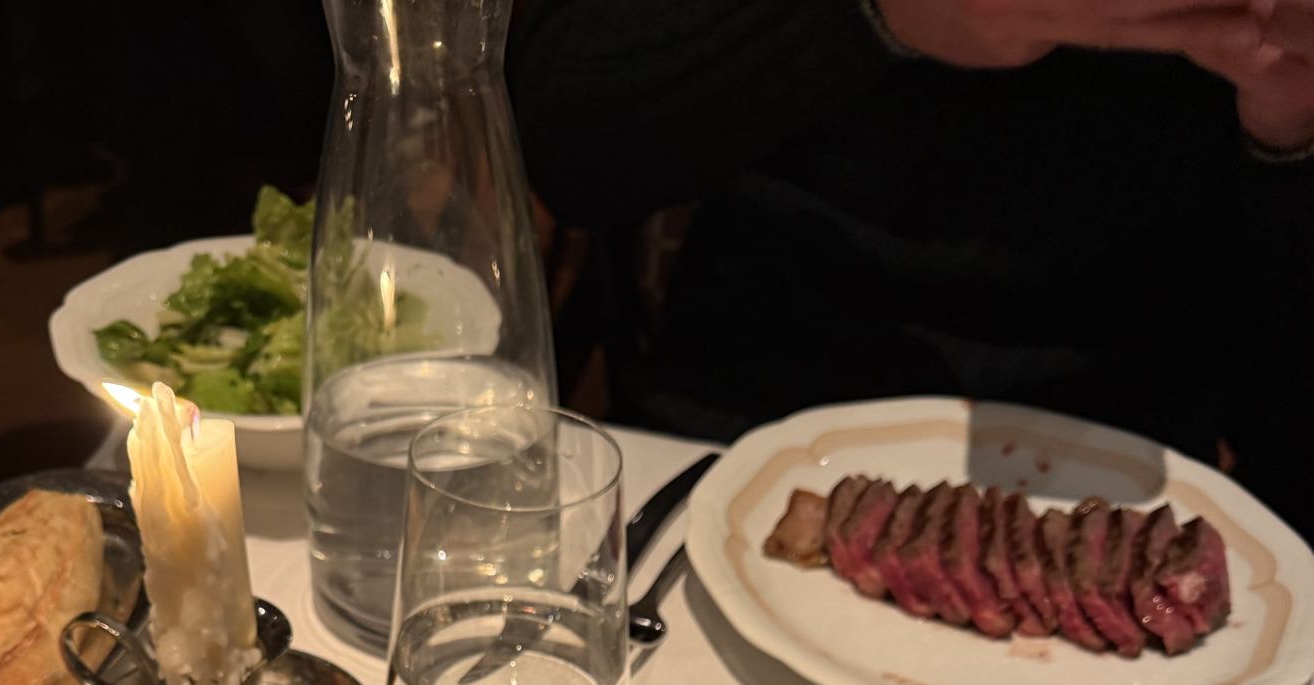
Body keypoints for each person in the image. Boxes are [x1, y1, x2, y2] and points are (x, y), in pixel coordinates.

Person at [510, 0, 1314, 541]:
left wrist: (1291, 136)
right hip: (733, 424)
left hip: (1132, 485)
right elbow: (559, 135)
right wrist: (875, 16)